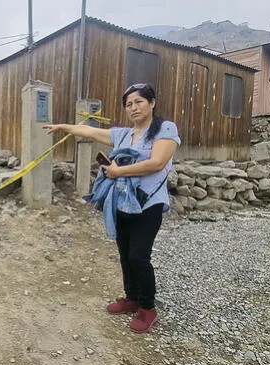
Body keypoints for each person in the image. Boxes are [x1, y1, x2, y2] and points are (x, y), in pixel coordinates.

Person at [42, 83, 180, 333]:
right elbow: (89, 131)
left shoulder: (164, 129)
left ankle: (148, 308)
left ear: (152, 103)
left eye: (139, 102)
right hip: (122, 202)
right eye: (128, 104)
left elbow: (157, 163)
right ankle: (132, 298)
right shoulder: (123, 135)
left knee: (139, 256)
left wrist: (118, 171)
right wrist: (63, 127)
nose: (133, 107)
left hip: (148, 203)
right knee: (125, 254)